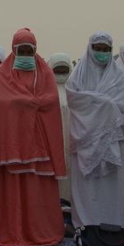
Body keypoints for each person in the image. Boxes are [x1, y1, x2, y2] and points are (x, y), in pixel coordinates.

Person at [0, 28, 66, 246]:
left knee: (38, 193)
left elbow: (50, 100)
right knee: (15, 193)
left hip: (40, 151)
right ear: (14, 50)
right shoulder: (3, 74)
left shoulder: (45, 73)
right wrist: (27, 102)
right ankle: (16, 231)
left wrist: (26, 103)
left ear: (35, 50)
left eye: (28, 50)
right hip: (13, 152)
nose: (24, 55)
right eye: (20, 51)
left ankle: (42, 230)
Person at [66, 32, 124, 233]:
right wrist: (105, 104)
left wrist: (100, 104)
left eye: (105, 50)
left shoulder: (118, 77)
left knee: (116, 189)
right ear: (90, 49)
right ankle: (89, 228)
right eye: (98, 49)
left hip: (116, 141)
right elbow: (75, 100)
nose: (101, 53)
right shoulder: (78, 75)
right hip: (87, 143)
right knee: (90, 191)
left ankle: (121, 227)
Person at [49, 52, 73, 201]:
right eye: (57, 70)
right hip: (53, 143)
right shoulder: (45, 89)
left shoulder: (75, 89)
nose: (61, 73)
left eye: (64, 70)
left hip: (72, 143)